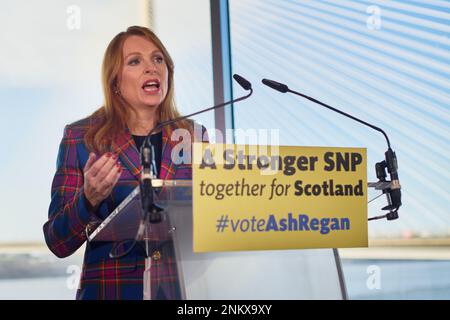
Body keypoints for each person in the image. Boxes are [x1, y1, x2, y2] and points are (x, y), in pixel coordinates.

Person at [43, 26, 205, 300]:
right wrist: (88, 199)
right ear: (115, 81)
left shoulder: (192, 136)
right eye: (135, 61)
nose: (151, 68)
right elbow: (57, 242)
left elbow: (209, 218)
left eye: (158, 59)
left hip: (181, 292)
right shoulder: (81, 138)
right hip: (111, 291)